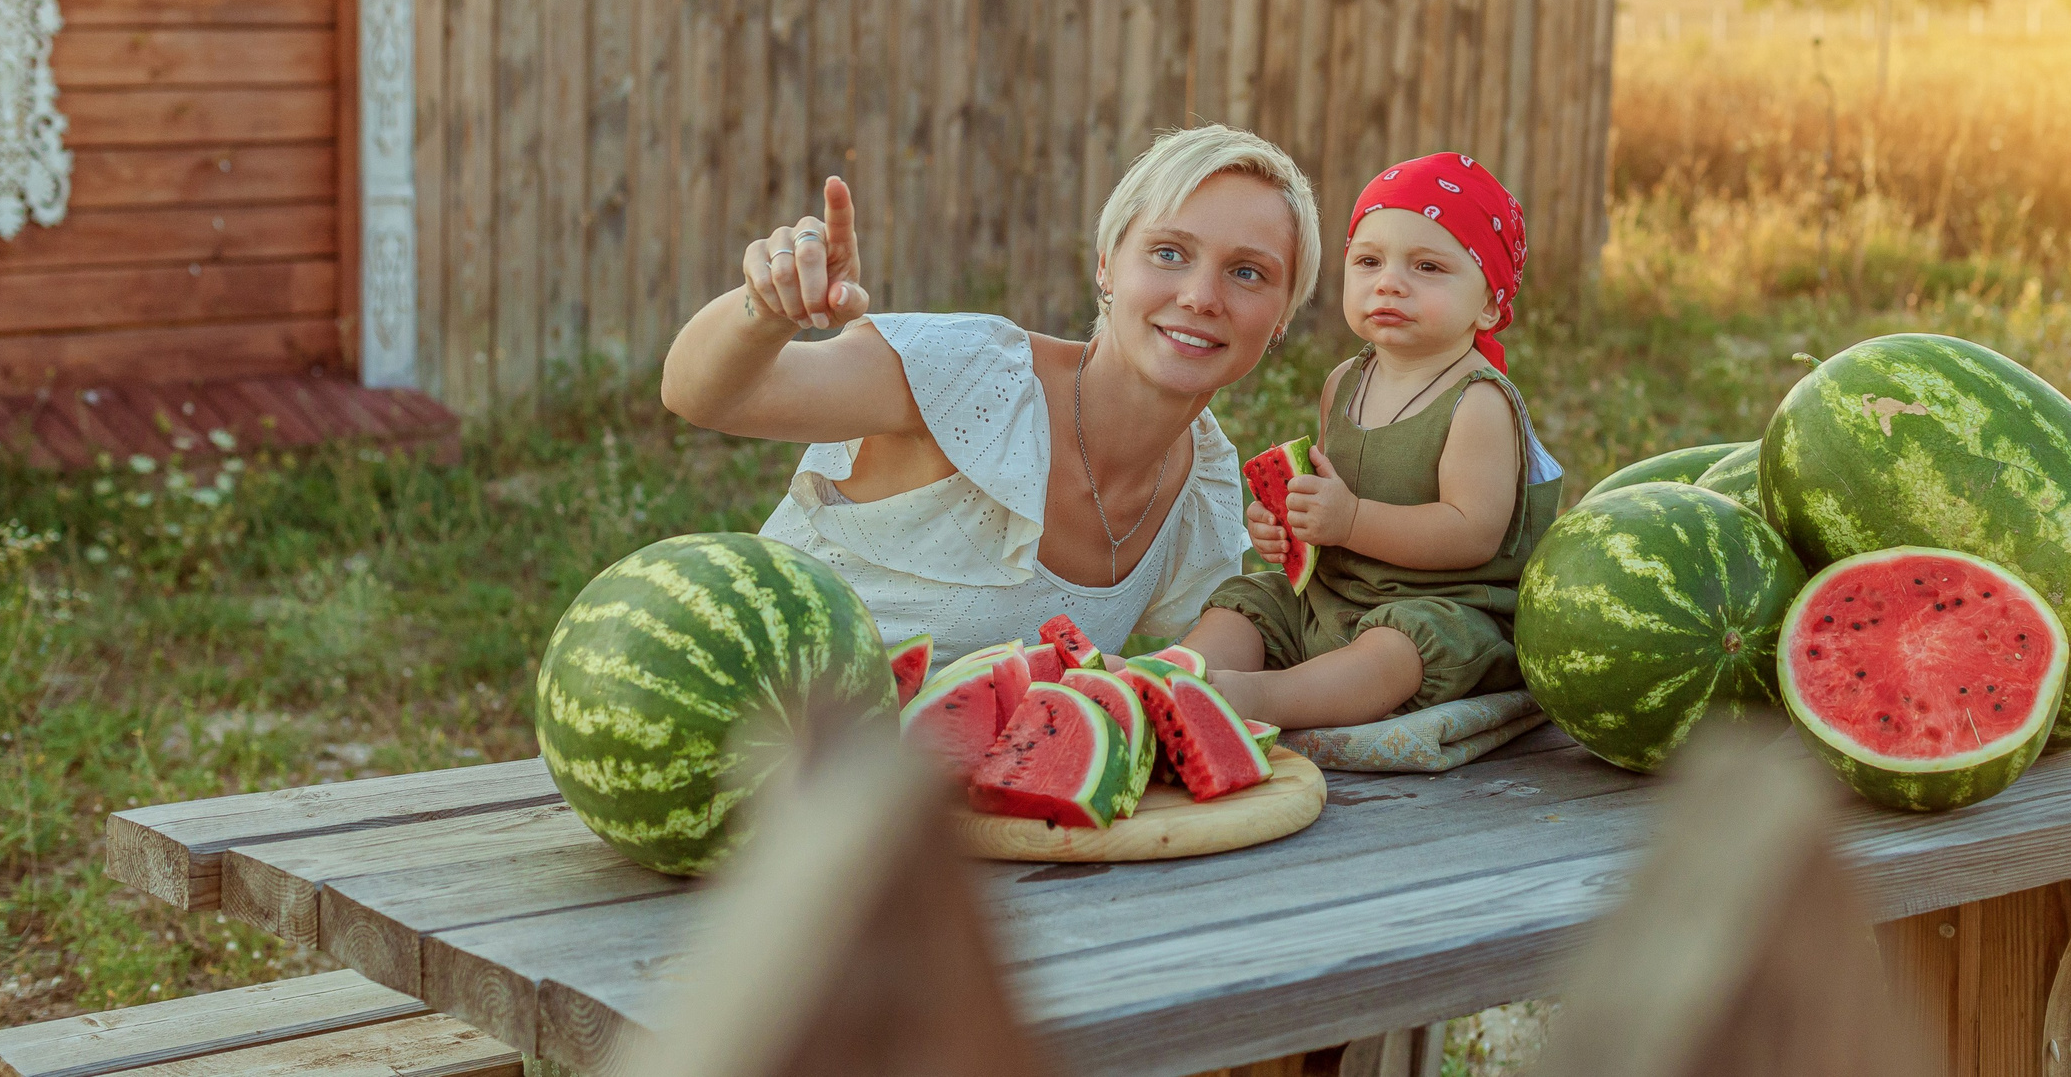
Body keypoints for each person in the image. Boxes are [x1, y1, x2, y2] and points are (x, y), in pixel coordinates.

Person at [660, 126, 1320, 665]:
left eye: (1247, 271)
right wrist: (768, 307)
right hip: (725, 729)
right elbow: (705, 395)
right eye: (1170, 253)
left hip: (935, 820)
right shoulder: (979, 376)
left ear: (1284, 313)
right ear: (1106, 266)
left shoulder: (1200, 489)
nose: (1202, 296)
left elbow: (1211, 655)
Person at [1181, 153, 1562, 730]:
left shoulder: (1478, 402)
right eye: (1369, 261)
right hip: (1333, 592)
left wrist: (1351, 520)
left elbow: (1473, 533)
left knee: (1394, 650)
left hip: (1440, 608)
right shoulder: (1345, 381)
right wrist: (1287, 525)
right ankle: (1174, 678)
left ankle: (1255, 701)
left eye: (1428, 267)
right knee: (1248, 601)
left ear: (1489, 303)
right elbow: (1332, 499)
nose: (1389, 282)